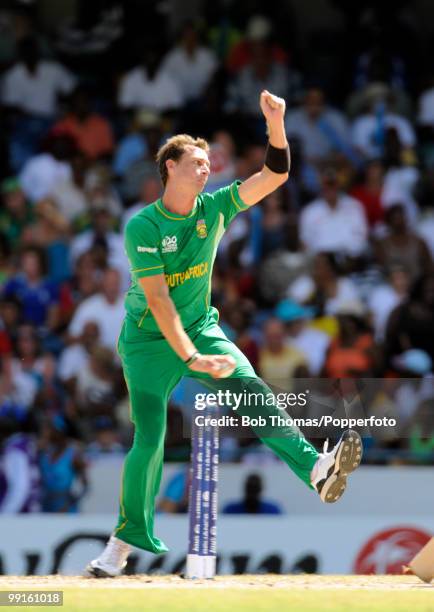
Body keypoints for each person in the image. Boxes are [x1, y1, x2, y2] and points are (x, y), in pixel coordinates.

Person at [85, 90, 363, 578]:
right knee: (149, 438)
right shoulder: (142, 226)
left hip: (200, 329)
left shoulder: (214, 208)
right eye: (196, 161)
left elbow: (274, 175)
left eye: (209, 161)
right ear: (168, 166)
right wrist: (190, 358)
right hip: (149, 341)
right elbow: (158, 300)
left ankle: (316, 471)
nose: (206, 168)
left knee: (254, 393)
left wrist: (276, 124)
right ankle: (119, 550)